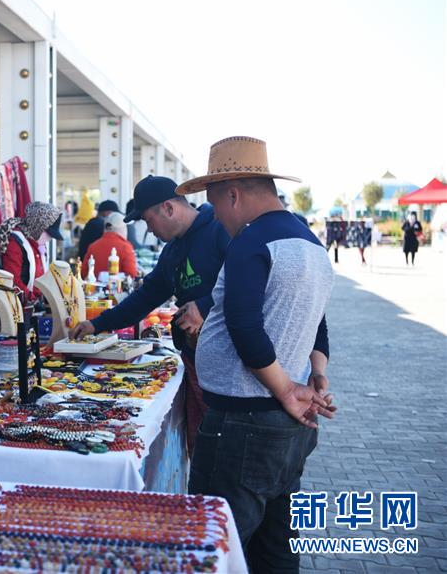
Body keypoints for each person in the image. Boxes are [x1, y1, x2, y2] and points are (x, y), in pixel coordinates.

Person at [178, 136, 335, 573]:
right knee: (276, 547)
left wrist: (287, 388)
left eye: (216, 205)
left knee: (212, 544)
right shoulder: (310, 243)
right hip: (286, 428)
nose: (218, 218)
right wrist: (315, 375)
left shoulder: (252, 242)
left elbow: (246, 325)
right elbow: (318, 325)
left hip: (244, 425)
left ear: (234, 194)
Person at [70, 176, 230, 456]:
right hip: (195, 359)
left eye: (147, 220)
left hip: (228, 369)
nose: (148, 230)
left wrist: (205, 306)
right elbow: (145, 298)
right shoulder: (172, 251)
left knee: (223, 453)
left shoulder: (220, 230)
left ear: (168, 208)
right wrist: (96, 323)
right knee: (201, 451)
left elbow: (250, 283)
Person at [0, 201, 64, 303]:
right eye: (49, 233)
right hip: (12, 309)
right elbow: (12, 281)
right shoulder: (15, 243)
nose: (50, 238)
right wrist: (33, 299)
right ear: (38, 226)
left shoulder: (36, 242)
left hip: (28, 305)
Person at [82, 212, 138, 278]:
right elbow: (131, 275)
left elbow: (84, 272)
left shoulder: (92, 246)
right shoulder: (126, 248)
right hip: (117, 287)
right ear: (122, 228)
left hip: (94, 287)